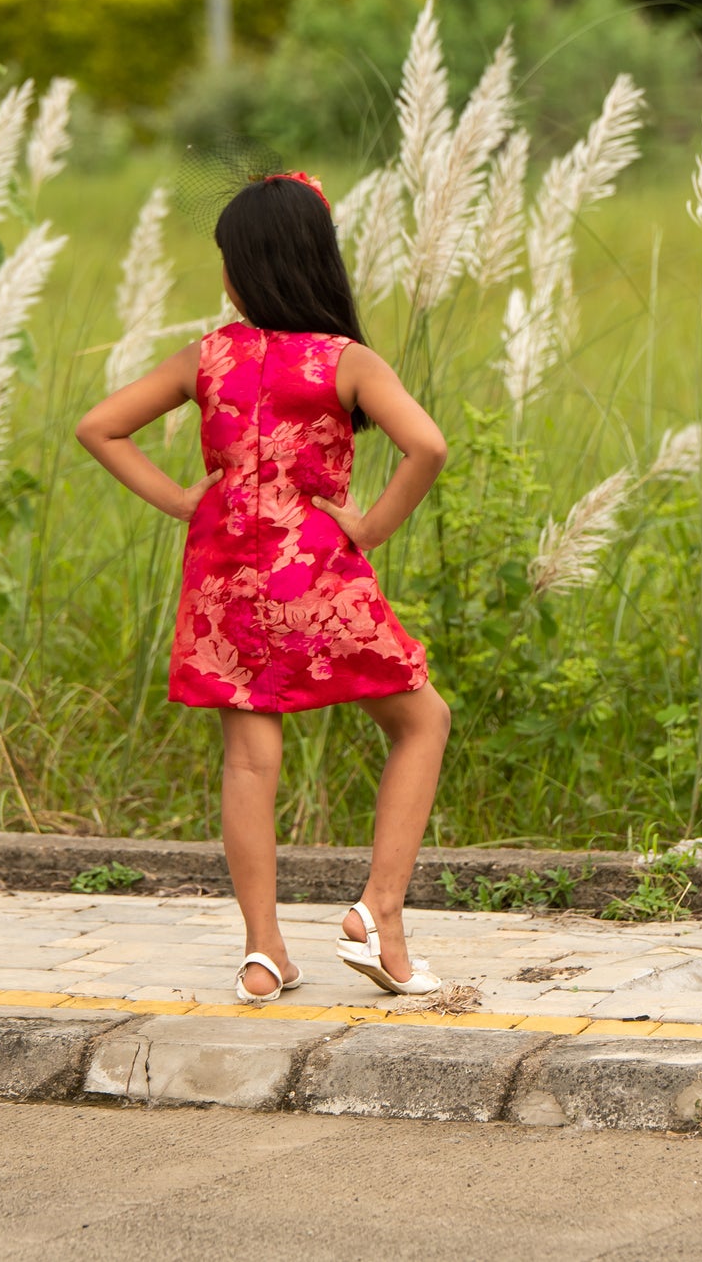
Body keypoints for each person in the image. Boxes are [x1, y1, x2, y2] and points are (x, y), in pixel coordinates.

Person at [76, 172, 451, 1002]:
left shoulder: (206, 355)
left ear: (246, 269)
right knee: (422, 716)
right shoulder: (343, 361)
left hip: (223, 575)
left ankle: (262, 953)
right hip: (314, 570)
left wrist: (181, 498)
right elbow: (427, 445)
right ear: (316, 261)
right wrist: (373, 525)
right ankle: (378, 913)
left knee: (250, 757)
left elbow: (97, 426)